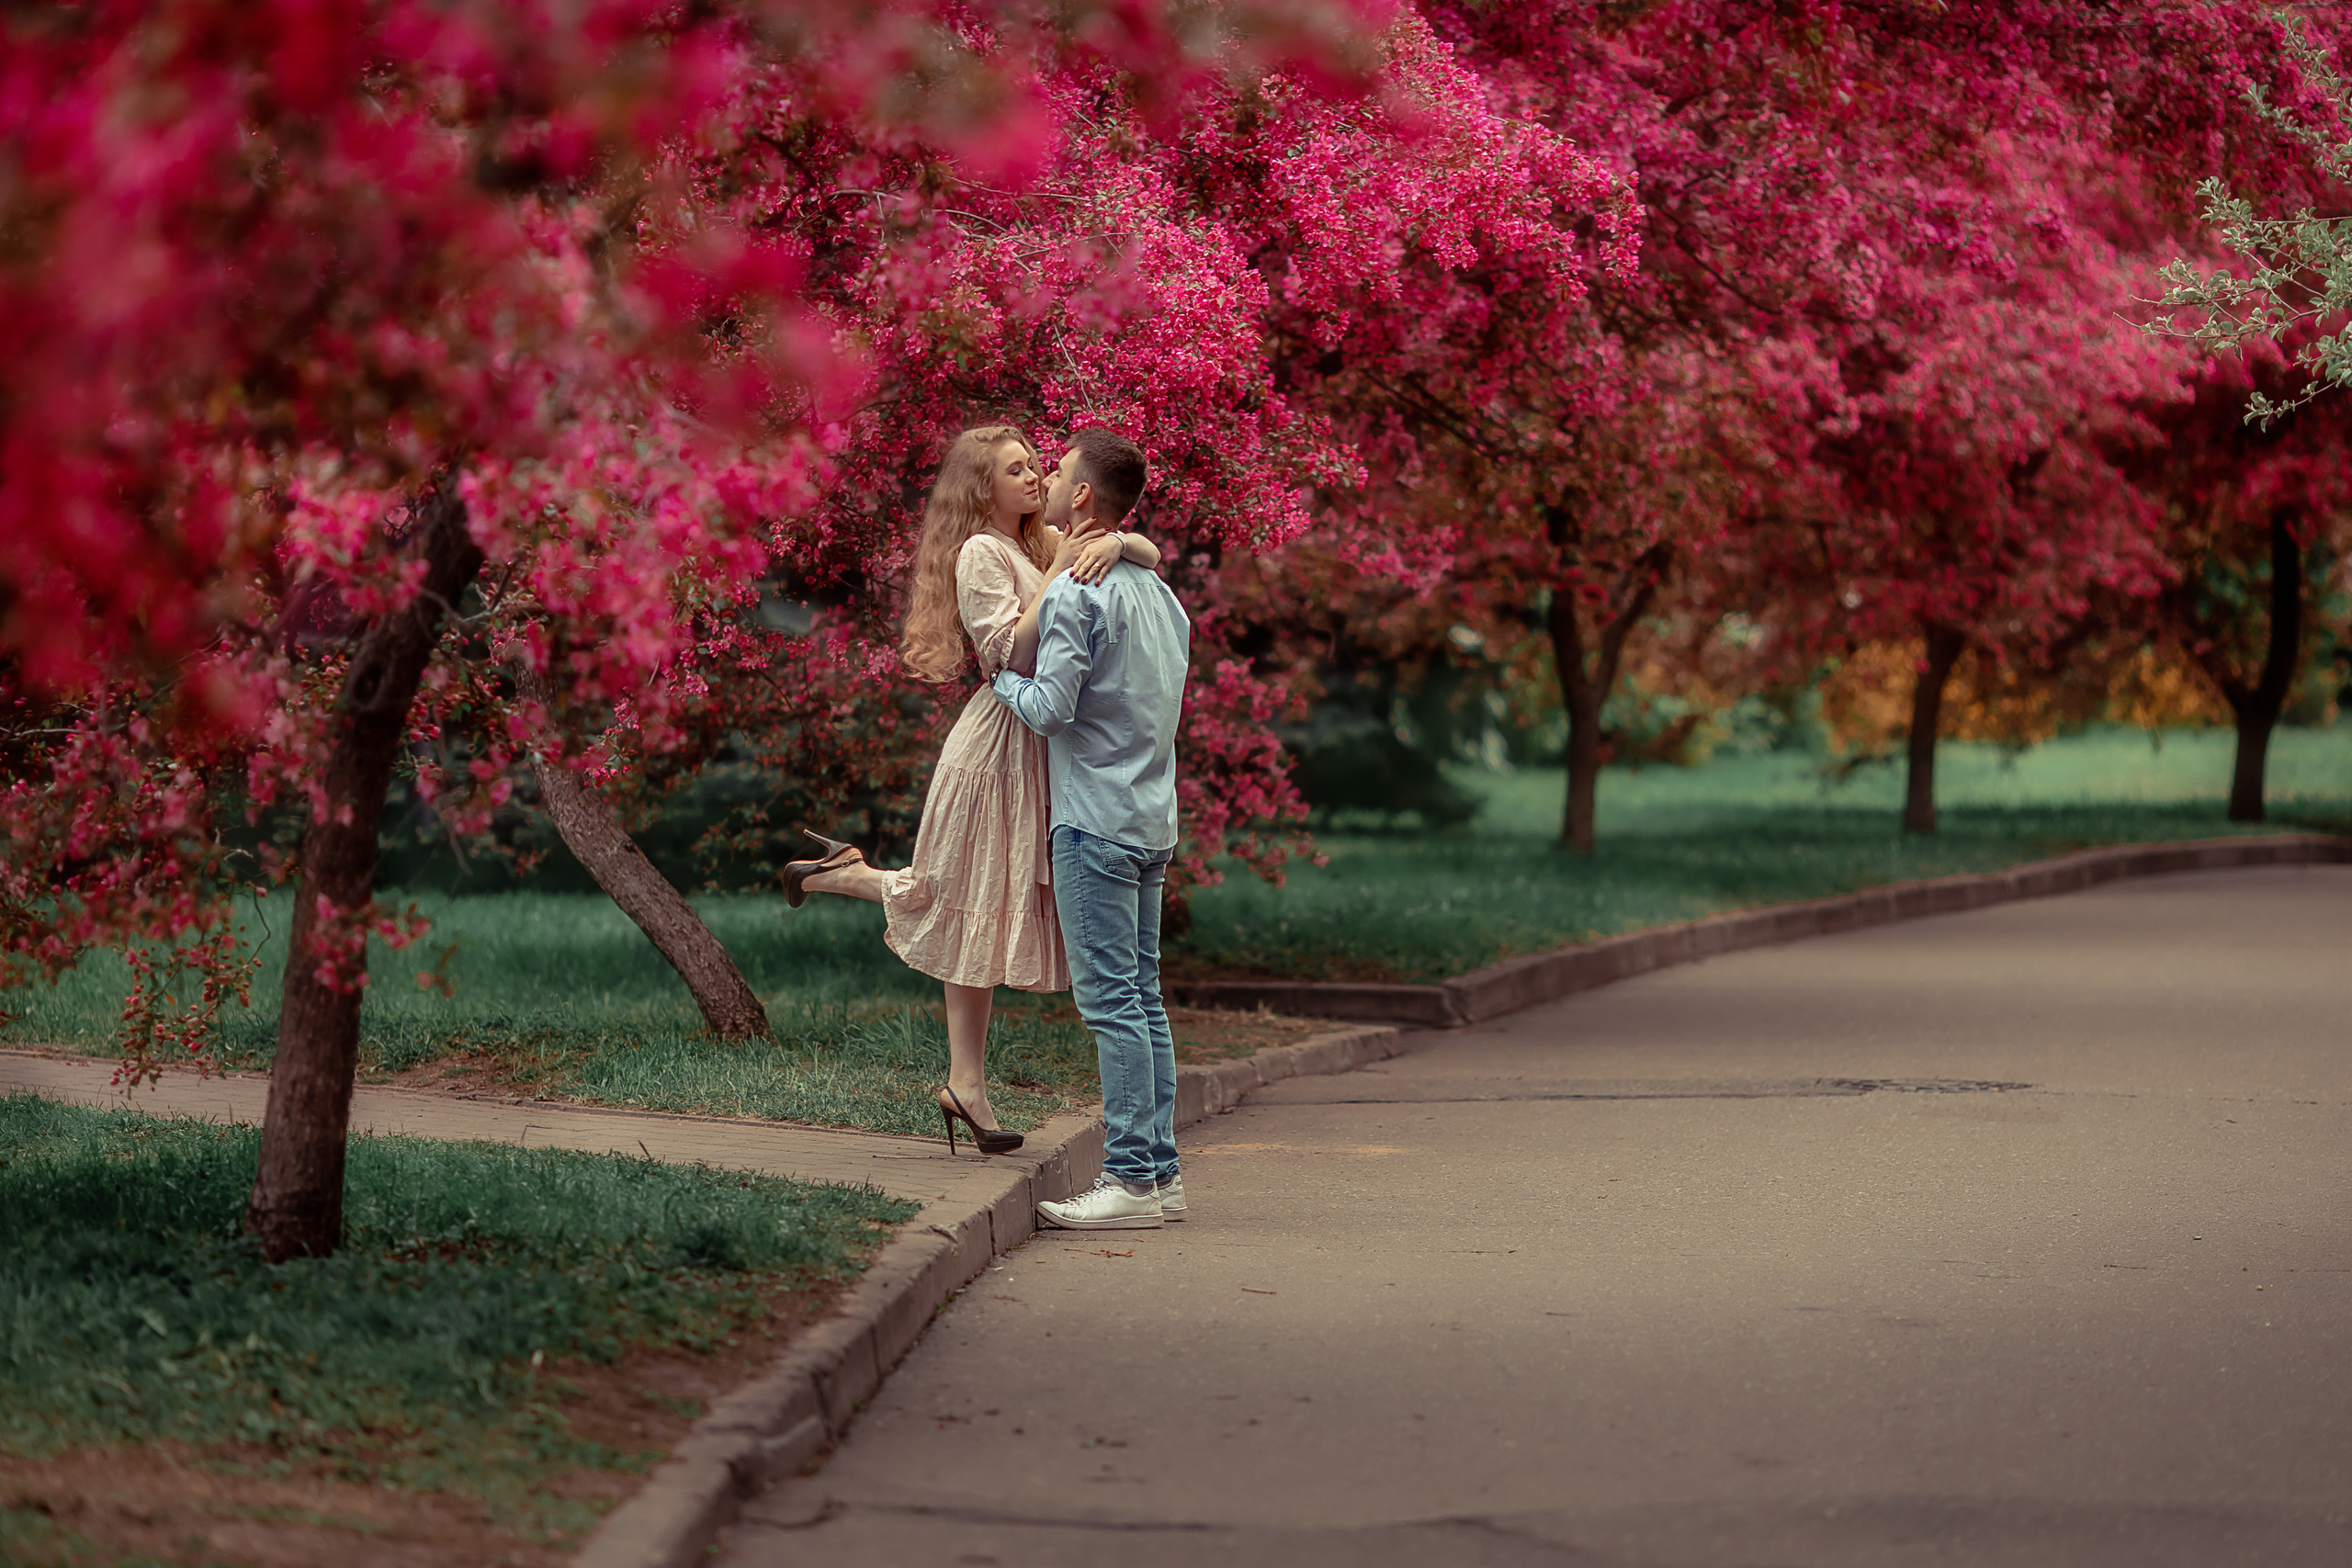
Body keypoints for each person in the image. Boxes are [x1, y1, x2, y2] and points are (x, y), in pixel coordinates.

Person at [781, 424, 1161, 1155]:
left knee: (975, 908)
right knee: (958, 899)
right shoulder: (982, 554)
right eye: (1015, 470)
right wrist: (1063, 571)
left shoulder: (1037, 546)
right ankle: (852, 883)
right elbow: (1007, 654)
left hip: (1039, 748)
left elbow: (1146, 557)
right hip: (995, 748)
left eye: (1034, 466)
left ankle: (964, 1082)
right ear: (982, 487)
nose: (1032, 476)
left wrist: (1119, 543)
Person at [992, 428, 1192, 1230]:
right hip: (1150, 820)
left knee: (1114, 1006)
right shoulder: (1162, 594)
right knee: (1143, 1000)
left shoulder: (1078, 591)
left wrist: (1001, 673)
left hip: (1095, 824)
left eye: (1059, 466)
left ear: (1081, 497)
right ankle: (1161, 1174)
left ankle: (1132, 1182)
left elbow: (1051, 708)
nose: (1046, 470)